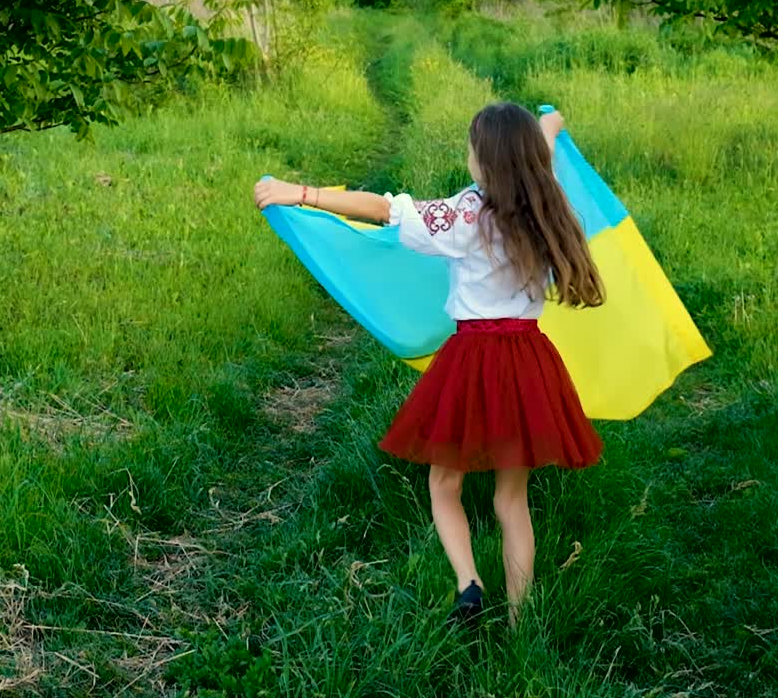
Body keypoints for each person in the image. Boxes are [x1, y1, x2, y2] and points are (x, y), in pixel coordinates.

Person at [253, 102, 605, 626]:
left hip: (473, 359)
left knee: (445, 484)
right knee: (512, 498)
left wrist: (299, 193)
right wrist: (549, 124)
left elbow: (384, 210)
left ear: (486, 162)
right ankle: (520, 617)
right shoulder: (549, 204)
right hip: (529, 360)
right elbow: (543, 156)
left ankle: (469, 582)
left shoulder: (467, 215)